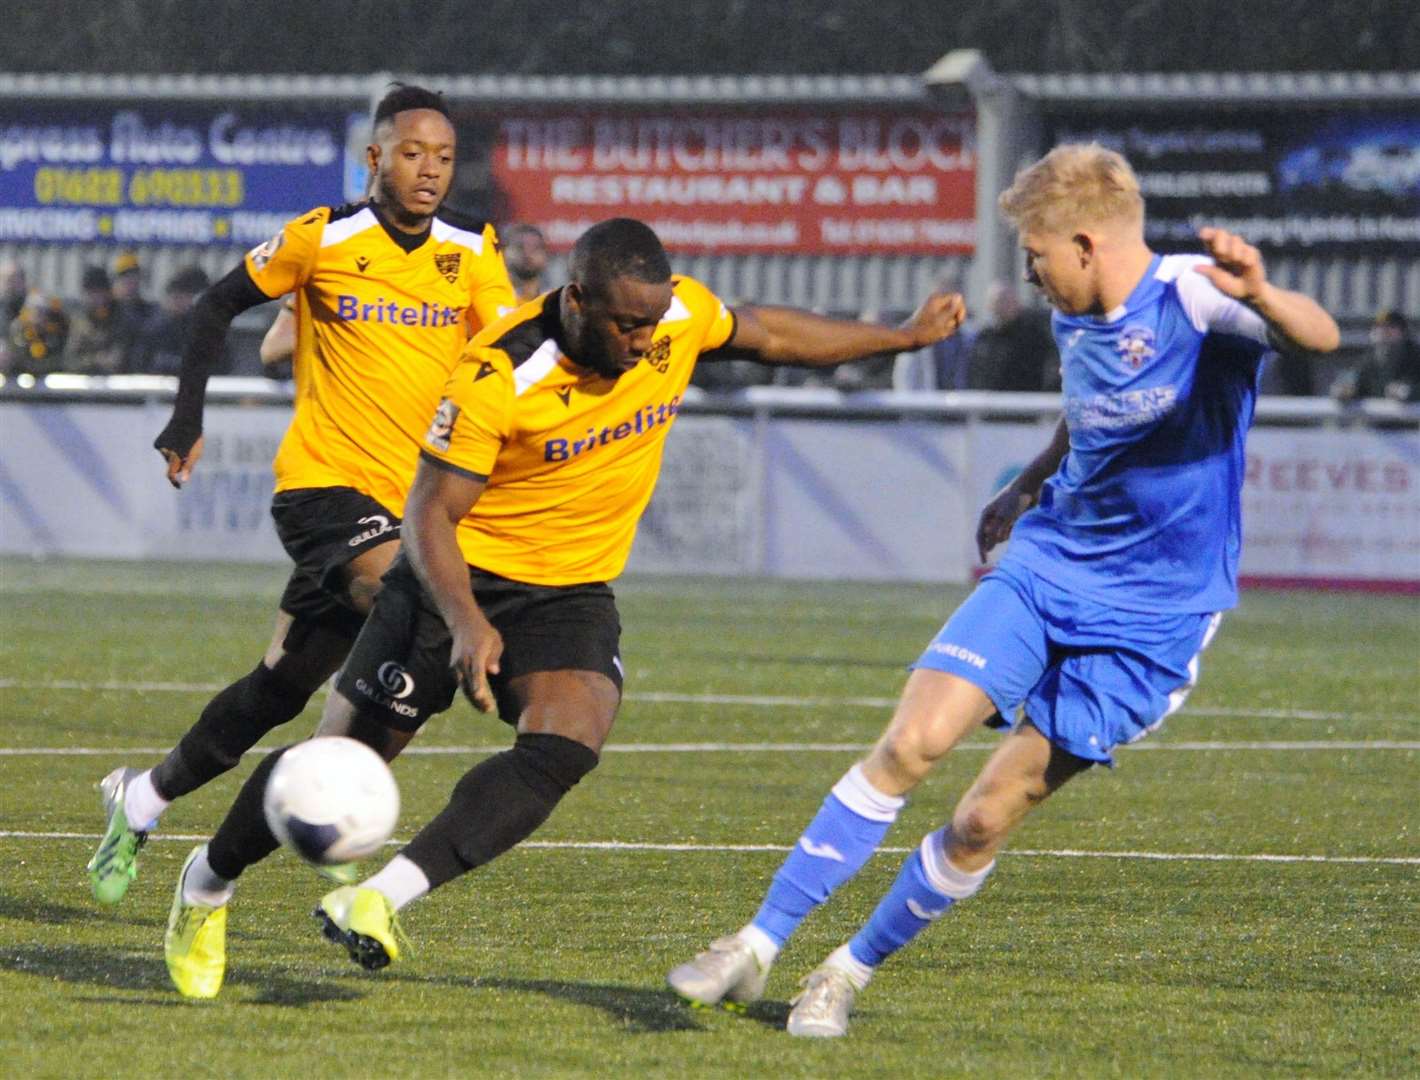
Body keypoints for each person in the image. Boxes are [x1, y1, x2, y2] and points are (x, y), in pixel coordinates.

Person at [159, 216, 967, 999]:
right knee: (338, 765)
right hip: (454, 581)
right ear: (576, 300)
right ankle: (206, 885)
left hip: (569, 589)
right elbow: (428, 515)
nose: (644, 342)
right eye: (624, 325)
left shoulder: (673, 316)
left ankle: (379, 898)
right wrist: (468, 620)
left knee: (571, 735)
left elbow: (772, 335)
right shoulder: (498, 370)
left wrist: (900, 336)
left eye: (651, 324)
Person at [666, 143, 1340, 1038]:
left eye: (1037, 256)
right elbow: (1092, 409)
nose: (1030, 274)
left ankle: (844, 972)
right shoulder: (1076, 313)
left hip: (1153, 615)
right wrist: (1027, 483)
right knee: (911, 744)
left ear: (1089, 244)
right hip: (1047, 564)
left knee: (982, 819)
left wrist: (1260, 290)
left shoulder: (1195, 293)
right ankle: (753, 943)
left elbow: (1317, 334)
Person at [85, 84, 516, 932]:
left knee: (275, 690)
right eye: (411, 153)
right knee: (419, 600)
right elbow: (215, 306)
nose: (429, 171)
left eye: (444, 158)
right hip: (322, 490)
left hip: (412, 504)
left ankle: (142, 798)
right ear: (376, 158)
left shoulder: (472, 248)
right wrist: (187, 418)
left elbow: (503, 353)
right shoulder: (325, 237)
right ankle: (314, 791)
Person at [966, 280, 1058, 391]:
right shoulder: (984, 337)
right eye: (997, 301)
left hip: (1024, 403)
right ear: (989, 305)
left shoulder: (1033, 336)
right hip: (989, 403)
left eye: (1006, 301)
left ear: (1017, 303)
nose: (1002, 306)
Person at [132, 267, 217, 376]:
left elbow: (219, 366)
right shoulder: (154, 328)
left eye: (185, 296)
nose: (178, 301)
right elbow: (139, 364)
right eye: (176, 296)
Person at [1329, 309, 1420, 403]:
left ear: (1403, 332)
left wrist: (1408, 391)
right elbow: (1354, 378)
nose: (1383, 331)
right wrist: (1345, 388)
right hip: (1380, 417)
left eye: (1390, 327)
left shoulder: (1415, 356)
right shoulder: (1369, 359)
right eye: (1378, 327)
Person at [64, 266, 127, 375]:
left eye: (100, 292)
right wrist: (95, 361)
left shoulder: (121, 319)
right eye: (91, 293)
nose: (96, 298)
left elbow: (123, 356)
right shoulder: (80, 322)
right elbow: (70, 361)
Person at [500, 222, 550, 302]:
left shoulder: (554, 301)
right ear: (502, 252)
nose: (527, 254)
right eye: (519, 247)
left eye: (535, 248)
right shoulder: (491, 296)